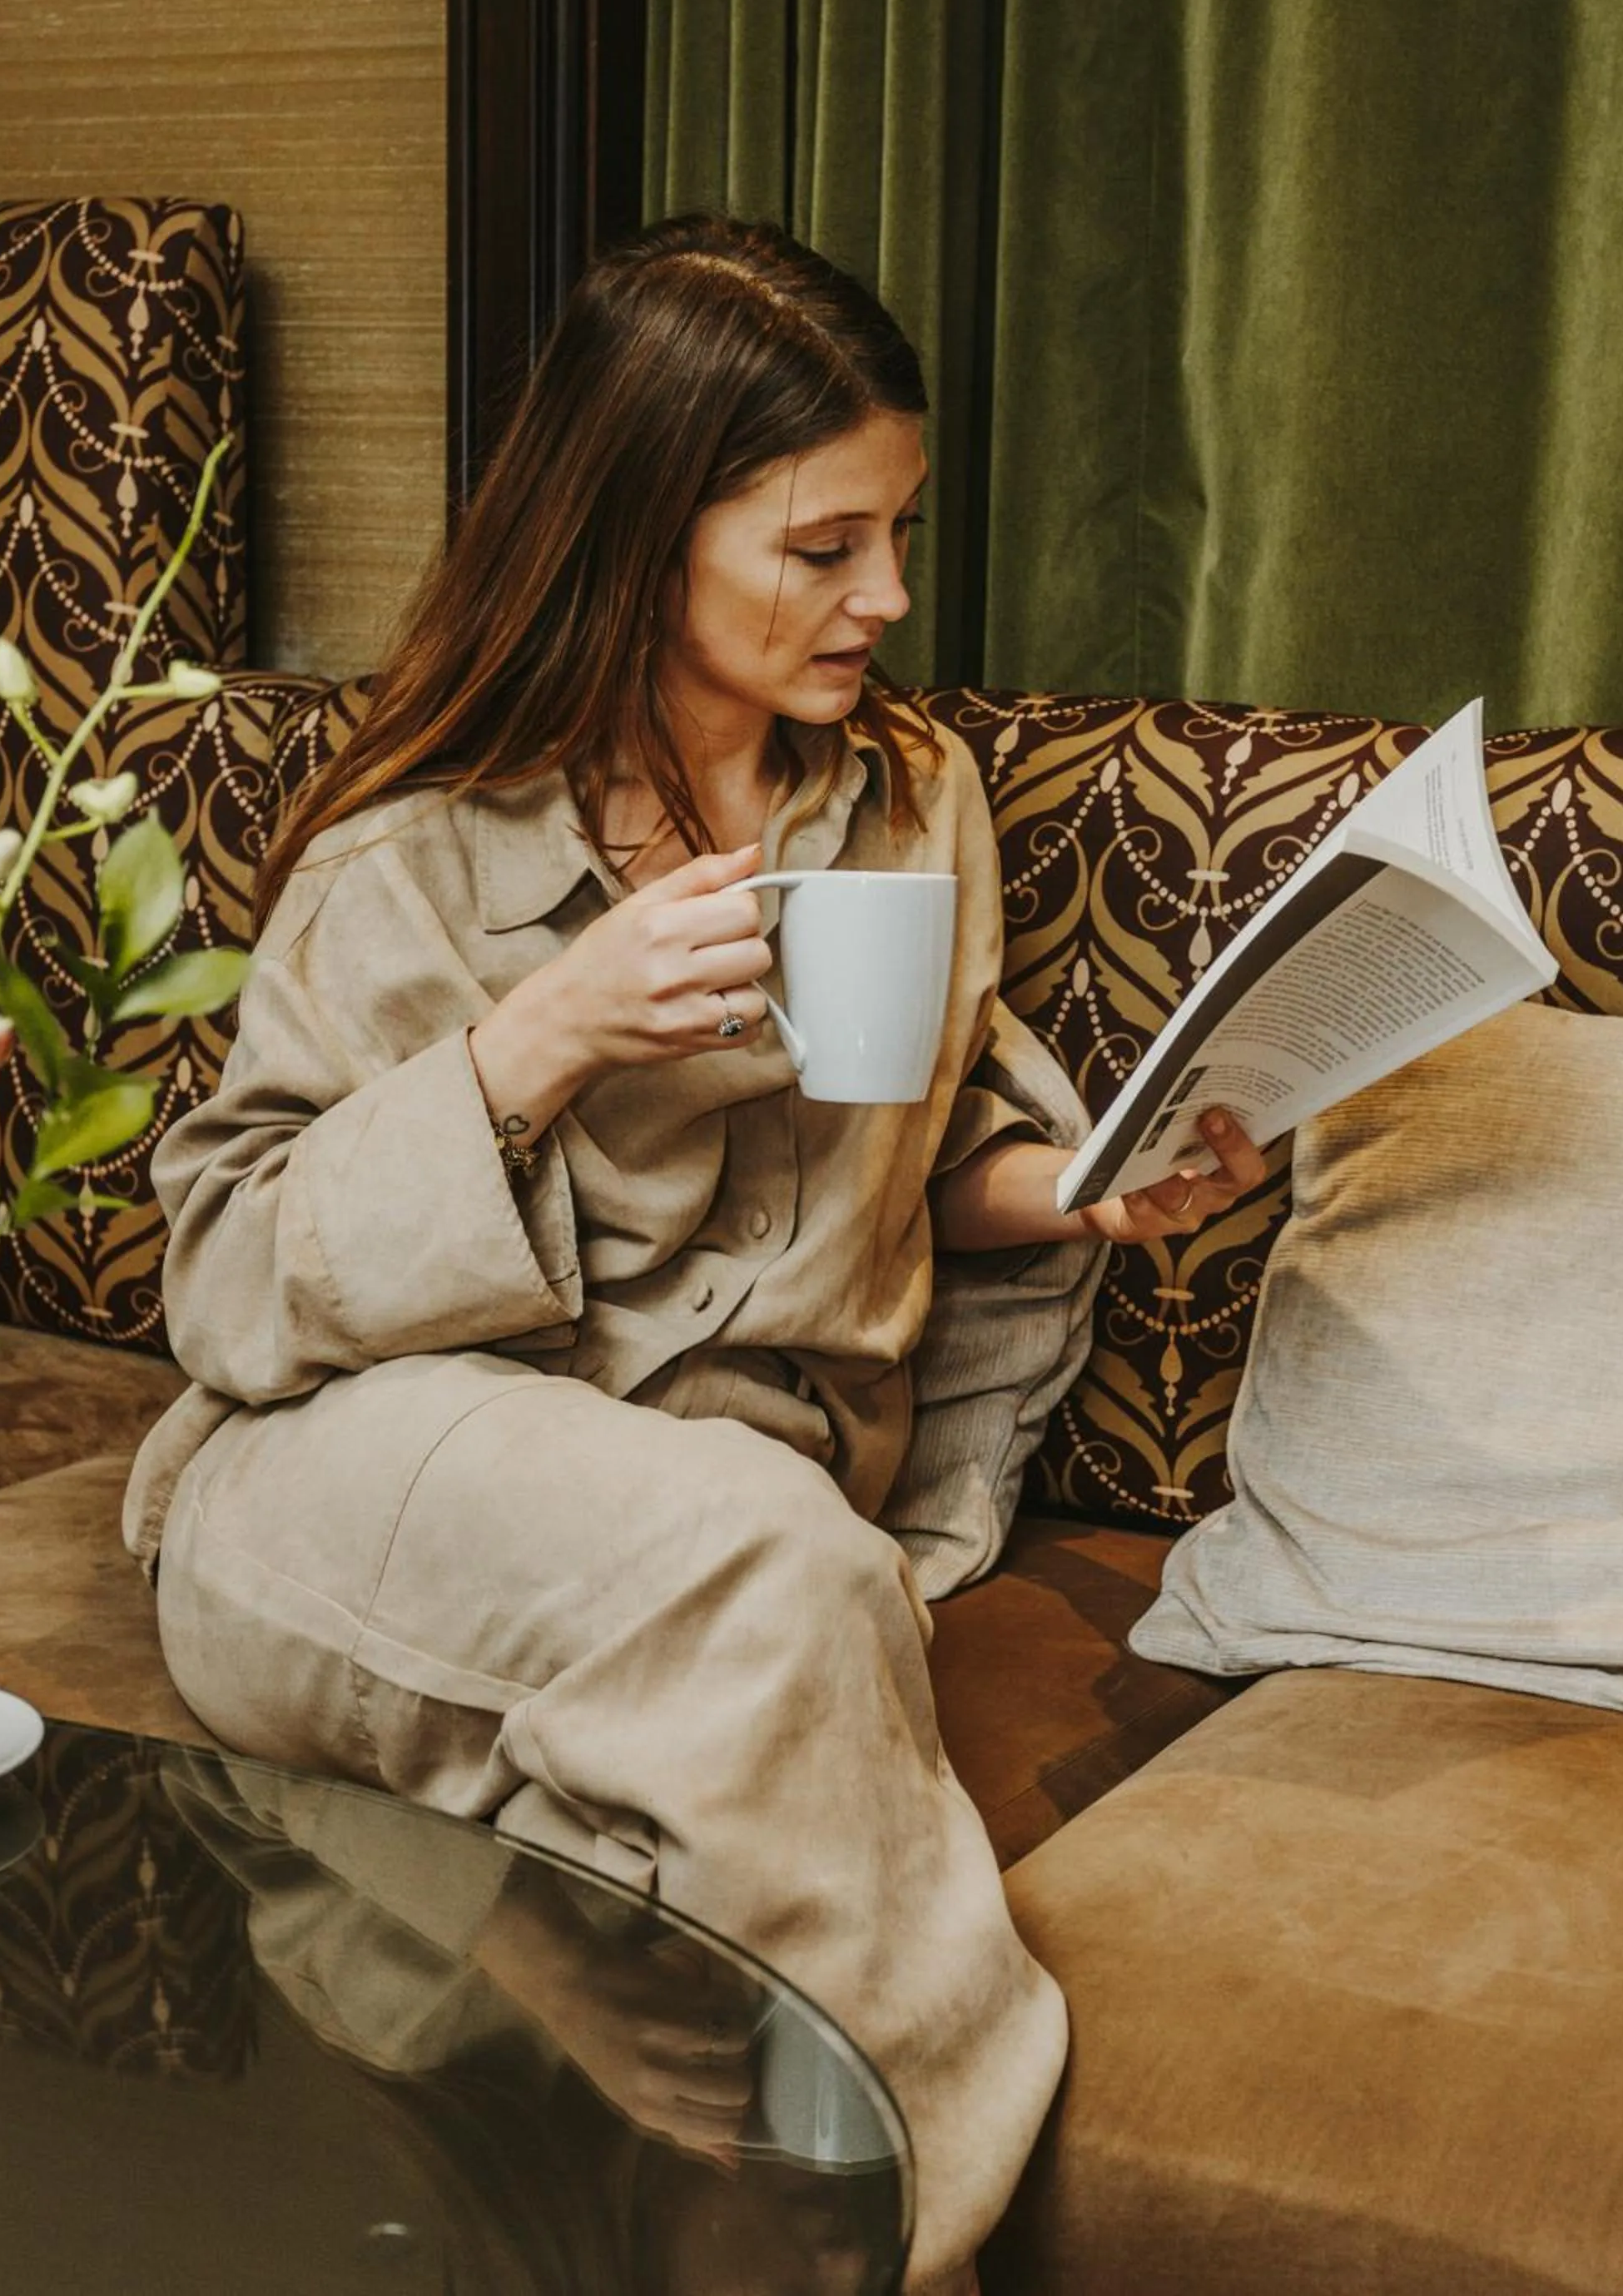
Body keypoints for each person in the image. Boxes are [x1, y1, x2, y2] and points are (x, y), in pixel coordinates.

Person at [123, 213, 1268, 2295]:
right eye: (823, 545)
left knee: (759, 1595)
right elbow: (230, 1279)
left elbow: (915, 1155)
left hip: (715, 1539)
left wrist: (1076, 1188)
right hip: (355, 1493)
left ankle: (578, 2034)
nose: (890, 597)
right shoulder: (424, 842)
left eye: (898, 533)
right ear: (649, 527)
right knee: (790, 1569)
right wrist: (543, 1037)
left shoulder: (910, 800)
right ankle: (914, 2245)